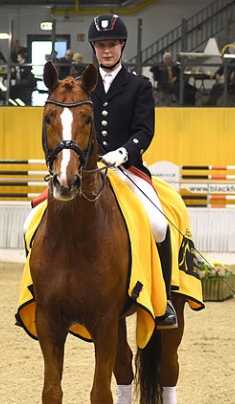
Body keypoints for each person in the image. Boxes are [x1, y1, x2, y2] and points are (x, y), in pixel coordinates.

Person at [87, 13, 177, 328]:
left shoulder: (139, 85)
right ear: (94, 48)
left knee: (157, 224)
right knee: (39, 218)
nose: (106, 50)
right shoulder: (83, 83)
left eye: (111, 44)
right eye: (100, 45)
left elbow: (144, 130)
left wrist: (123, 152)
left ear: (122, 45)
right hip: (88, 171)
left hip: (128, 169)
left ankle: (163, 299)